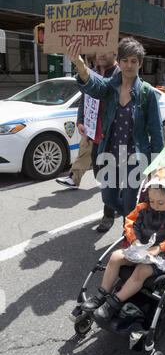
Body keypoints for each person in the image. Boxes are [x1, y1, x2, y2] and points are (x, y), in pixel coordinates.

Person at [66, 37, 164, 219]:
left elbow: (157, 134)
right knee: (109, 199)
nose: (128, 65)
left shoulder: (147, 92)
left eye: (133, 61)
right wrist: (79, 63)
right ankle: (134, 221)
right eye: (125, 60)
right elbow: (92, 85)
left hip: (135, 158)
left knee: (128, 201)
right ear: (119, 61)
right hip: (110, 154)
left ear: (140, 64)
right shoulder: (110, 87)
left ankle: (129, 234)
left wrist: (156, 168)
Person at [81, 168, 165, 321]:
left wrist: (159, 248)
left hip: (161, 259)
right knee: (115, 257)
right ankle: (101, 294)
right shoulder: (143, 209)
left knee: (141, 271)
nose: (155, 205)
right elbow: (131, 224)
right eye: (151, 201)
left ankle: (114, 302)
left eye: (160, 203)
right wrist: (135, 240)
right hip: (139, 250)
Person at [56, 52, 121, 233]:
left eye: (104, 52)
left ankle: (108, 215)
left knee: (109, 178)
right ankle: (119, 196)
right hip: (94, 134)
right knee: (100, 174)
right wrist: (80, 120)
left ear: (113, 53)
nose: (100, 56)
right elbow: (84, 98)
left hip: (111, 136)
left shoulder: (119, 75)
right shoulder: (91, 73)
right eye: (97, 53)